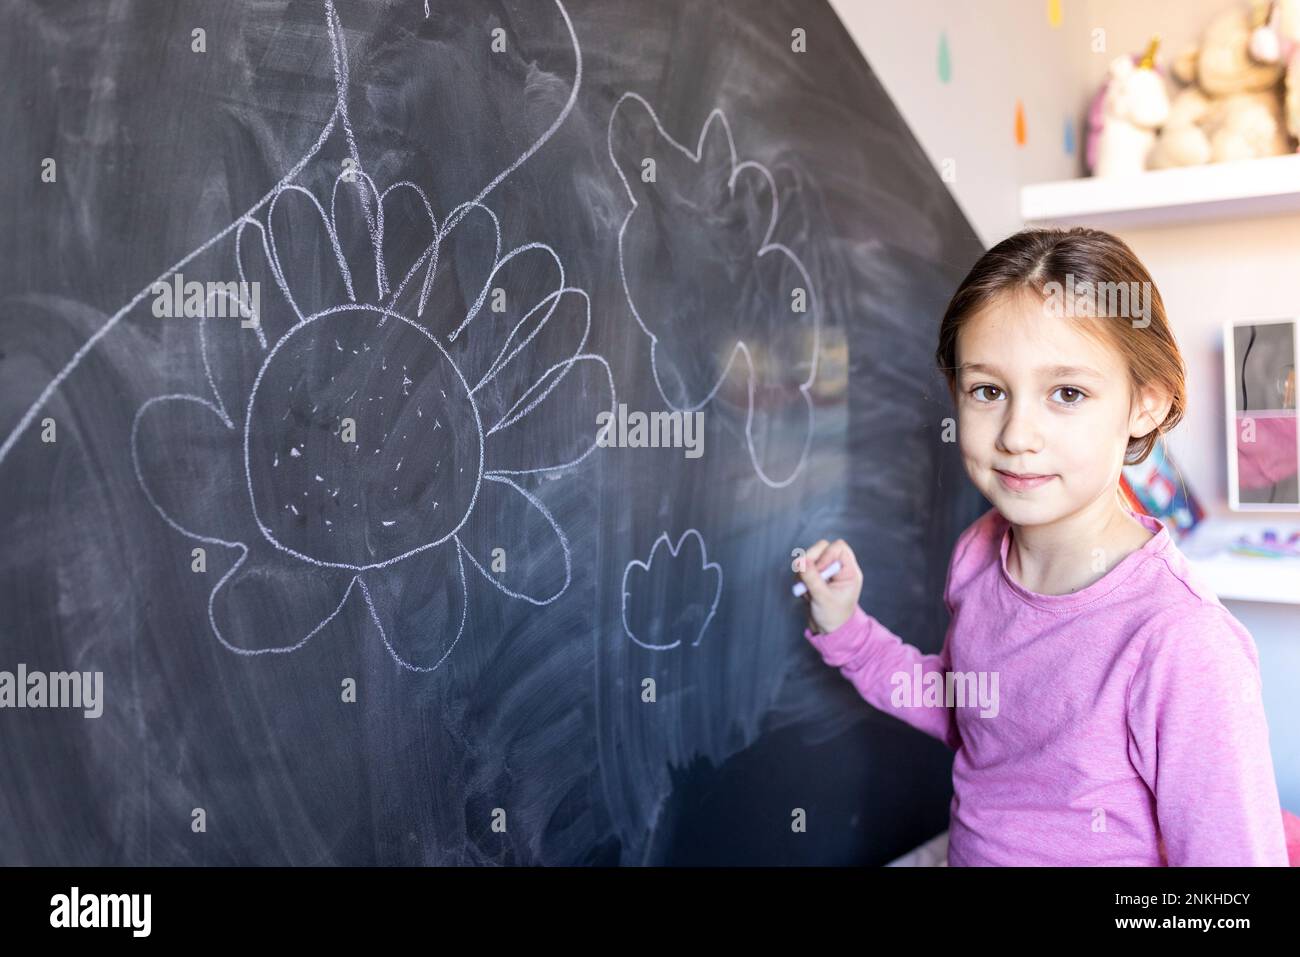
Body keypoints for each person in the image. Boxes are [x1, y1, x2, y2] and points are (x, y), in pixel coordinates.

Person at [796, 226, 1289, 866]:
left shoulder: (1184, 643)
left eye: (1068, 393)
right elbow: (964, 711)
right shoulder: (978, 553)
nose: (1017, 434)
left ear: (1144, 405)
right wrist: (848, 630)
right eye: (988, 391)